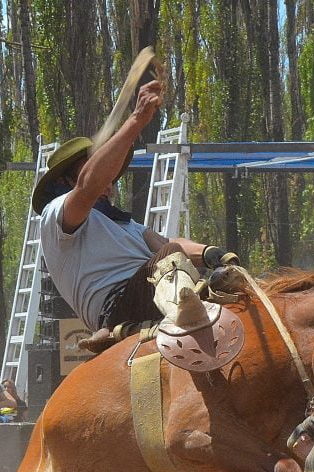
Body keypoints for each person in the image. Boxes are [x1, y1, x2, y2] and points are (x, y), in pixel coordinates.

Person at [33, 77, 231, 351]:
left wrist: (213, 253)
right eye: (103, 171)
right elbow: (88, 186)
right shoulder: (56, 216)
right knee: (171, 257)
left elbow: (164, 242)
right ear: (65, 182)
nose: (110, 182)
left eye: (112, 175)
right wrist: (137, 119)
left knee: (226, 282)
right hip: (117, 304)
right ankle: (139, 327)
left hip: (156, 287)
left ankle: (174, 315)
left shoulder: (126, 225)